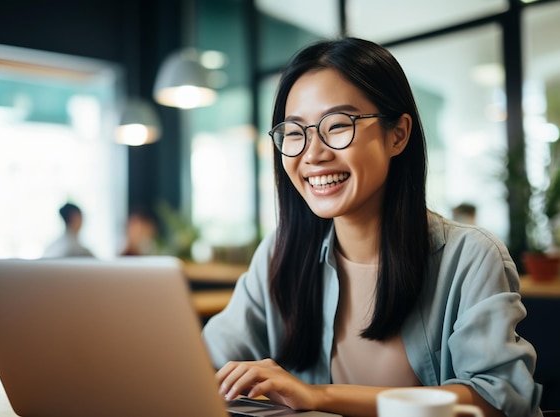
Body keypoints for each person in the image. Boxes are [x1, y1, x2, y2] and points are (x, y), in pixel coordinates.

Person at [202, 37, 542, 417]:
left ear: (397, 134)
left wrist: (318, 396)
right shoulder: (280, 253)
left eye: (337, 126)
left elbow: (498, 401)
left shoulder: (470, 258)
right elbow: (203, 365)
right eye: (296, 133)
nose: (313, 154)